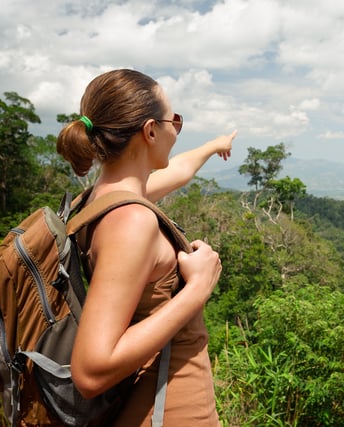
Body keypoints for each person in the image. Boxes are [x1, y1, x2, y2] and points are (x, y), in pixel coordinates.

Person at [56, 68, 236, 426]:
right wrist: (197, 289)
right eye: (175, 121)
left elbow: (181, 169)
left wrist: (216, 145)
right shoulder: (132, 222)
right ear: (151, 131)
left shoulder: (98, 199)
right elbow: (91, 371)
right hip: (171, 411)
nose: (177, 131)